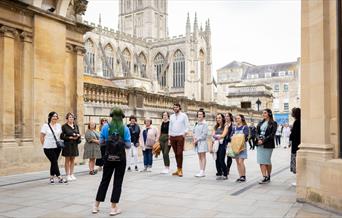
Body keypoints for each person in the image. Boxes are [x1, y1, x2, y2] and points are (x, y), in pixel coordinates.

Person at [93, 107, 131, 216]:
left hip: (108, 158)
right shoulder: (125, 128)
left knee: (104, 180)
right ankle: (113, 208)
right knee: (117, 183)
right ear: (122, 117)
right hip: (120, 159)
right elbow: (128, 146)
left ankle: (96, 206)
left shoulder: (106, 127)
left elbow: (101, 143)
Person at [40, 112, 67, 184]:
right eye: (53, 116)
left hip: (57, 147)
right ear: (50, 117)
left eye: (56, 116)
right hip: (48, 147)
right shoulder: (46, 126)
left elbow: (61, 135)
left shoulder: (59, 125)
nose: (55, 117)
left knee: (53, 162)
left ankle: (51, 177)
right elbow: (41, 136)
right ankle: (60, 177)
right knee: (54, 161)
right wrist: (44, 145)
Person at [256, 109, 277, 184]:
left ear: (269, 114)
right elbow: (256, 132)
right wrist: (258, 139)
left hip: (268, 144)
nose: (263, 114)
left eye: (265, 113)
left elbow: (272, 134)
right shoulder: (260, 122)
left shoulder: (273, 123)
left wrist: (263, 140)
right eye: (263, 113)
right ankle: (264, 177)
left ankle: (268, 176)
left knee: (267, 161)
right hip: (259, 143)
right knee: (261, 161)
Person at [169, 103, 189, 177]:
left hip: (180, 136)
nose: (175, 108)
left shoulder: (184, 115)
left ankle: (180, 170)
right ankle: (178, 169)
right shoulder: (171, 116)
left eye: (176, 107)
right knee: (175, 153)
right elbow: (170, 127)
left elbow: (187, 125)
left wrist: (185, 133)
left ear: (179, 108)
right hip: (172, 136)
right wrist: (169, 136)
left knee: (179, 153)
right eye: (174, 107)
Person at [60, 112, 81, 181]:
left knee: (73, 160)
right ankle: (67, 175)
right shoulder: (64, 126)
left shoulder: (76, 126)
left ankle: (72, 174)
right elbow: (62, 136)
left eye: (72, 117)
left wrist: (77, 137)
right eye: (69, 117)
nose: (71, 118)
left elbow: (78, 133)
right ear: (67, 118)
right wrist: (70, 138)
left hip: (74, 145)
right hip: (67, 145)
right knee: (67, 160)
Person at [230, 114, 249, 182]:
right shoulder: (234, 128)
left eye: (238, 118)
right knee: (237, 162)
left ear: (242, 119)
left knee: (241, 161)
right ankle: (240, 176)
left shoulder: (245, 127)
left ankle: (243, 176)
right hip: (235, 147)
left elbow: (246, 136)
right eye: (236, 118)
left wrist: (236, 136)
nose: (237, 120)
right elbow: (231, 136)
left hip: (242, 147)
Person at [193, 109, 209, 177]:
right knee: (199, 157)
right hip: (197, 142)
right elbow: (193, 131)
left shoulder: (205, 124)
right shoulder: (196, 123)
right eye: (198, 114)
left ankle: (203, 171)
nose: (199, 116)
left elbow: (204, 135)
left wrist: (197, 139)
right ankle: (201, 170)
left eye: (201, 114)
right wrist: (194, 138)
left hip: (202, 142)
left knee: (203, 156)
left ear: (203, 116)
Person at [212, 113, 229, 180]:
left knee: (221, 159)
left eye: (219, 118)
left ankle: (225, 174)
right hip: (216, 145)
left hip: (222, 145)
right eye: (217, 118)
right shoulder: (215, 127)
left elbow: (223, 135)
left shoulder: (226, 126)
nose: (218, 119)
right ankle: (219, 173)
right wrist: (218, 136)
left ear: (222, 118)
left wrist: (217, 136)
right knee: (216, 159)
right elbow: (212, 134)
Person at [289, 108, 301, 179]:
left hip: (296, 145)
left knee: (296, 161)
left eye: (292, 112)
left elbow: (294, 134)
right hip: (297, 144)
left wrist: (290, 139)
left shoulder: (297, 122)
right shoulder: (299, 121)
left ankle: (298, 179)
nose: (291, 113)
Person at [225, 113, 234, 177]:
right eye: (225, 116)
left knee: (229, 156)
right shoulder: (224, 124)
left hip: (230, 142)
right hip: (223, 142)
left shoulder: (233, 125)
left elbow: (233, 133)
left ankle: (227, 169)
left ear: (230, 117)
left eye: (227, 116)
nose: (226, 117)